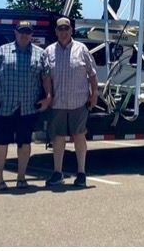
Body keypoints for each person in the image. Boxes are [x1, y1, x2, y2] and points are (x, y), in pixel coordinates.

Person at [0, 20, 52, 191]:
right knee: (1, 143)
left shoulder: (40, 54)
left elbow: (45, 78)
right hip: (4, 106)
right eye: (21, 31)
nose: (24, 34)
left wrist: (49, 97)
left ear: (31, 35)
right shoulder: (3, 51)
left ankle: (21, 178)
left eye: (27, 32)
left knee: (25, 143)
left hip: (28, 107)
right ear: (15, 33)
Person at [43, 16, 99, 188]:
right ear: (56, 32)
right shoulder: (49, 51)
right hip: (58, 102)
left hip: (78, 101)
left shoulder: (82, 49)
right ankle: (57, 172)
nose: (64, 32)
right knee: (58, 138)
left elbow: (92, 74)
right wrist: (48, 95)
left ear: (71, 30)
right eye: (60, 29)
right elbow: (46, 76)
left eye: (66, 28)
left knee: (79, 137)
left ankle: (81, 173)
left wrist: (94, 94)